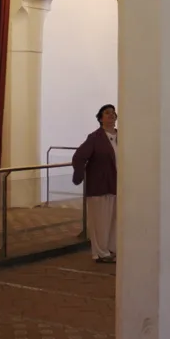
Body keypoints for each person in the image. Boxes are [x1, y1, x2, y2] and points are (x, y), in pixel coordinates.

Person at [72, 104, 118, 263]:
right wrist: (79, 175)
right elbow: (79, 156)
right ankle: (100, 253)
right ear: (100, 118)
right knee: (100, 221)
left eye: (113, 113)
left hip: (116, 185)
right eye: (107, 113)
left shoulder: (121, 136)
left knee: (114, 220)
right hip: (99, 185)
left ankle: (112, 248)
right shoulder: (95, 138)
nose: (111, 116)